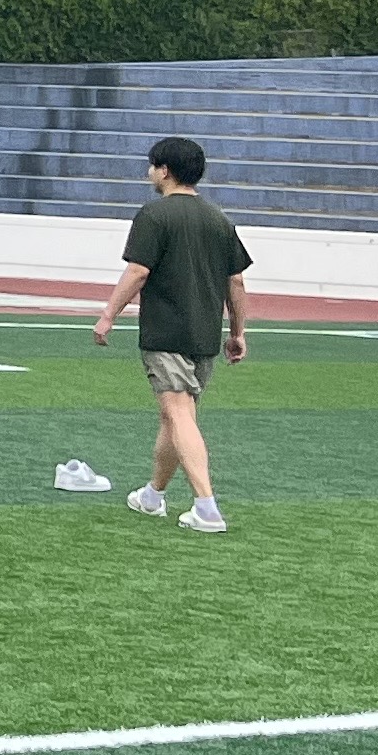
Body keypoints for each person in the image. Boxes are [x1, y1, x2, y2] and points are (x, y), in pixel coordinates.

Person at [94, 133, 248, 535]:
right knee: (176, 415)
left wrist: (108, 315)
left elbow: (138, 271)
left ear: (164, 171)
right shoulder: (218, 219)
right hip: (204, 335)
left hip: (166, 331)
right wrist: (237, 332)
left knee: (178, 413)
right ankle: (153, 495)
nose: (149, 173)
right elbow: (236, 281)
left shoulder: (154, 215)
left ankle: (206, 507)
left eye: (152, 166)